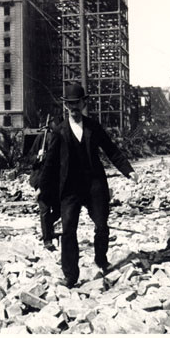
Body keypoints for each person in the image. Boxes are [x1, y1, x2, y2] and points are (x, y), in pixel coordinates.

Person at [39, 82, 138, 288]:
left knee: (102, 226)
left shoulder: (93, 127)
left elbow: (111, 150)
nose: (74, 108)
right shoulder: (58, 132)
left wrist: (128, 170)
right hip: (70, 189)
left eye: (77, 103)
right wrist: (43, 190)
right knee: (68, 231)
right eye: (70, 105)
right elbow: (49, 164)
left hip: (94, 185)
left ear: (84, 103)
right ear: (65, 106)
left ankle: (101, 260)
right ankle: (70, 276)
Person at [29, 116, 61, 251]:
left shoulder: (60, 139)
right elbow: (30, 158)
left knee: (59, 210)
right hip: (41, 178)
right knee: (45, 210)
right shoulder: (42, 138)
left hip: (55, 181)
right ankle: (47, 239)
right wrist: (38, 156)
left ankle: (48, 227)